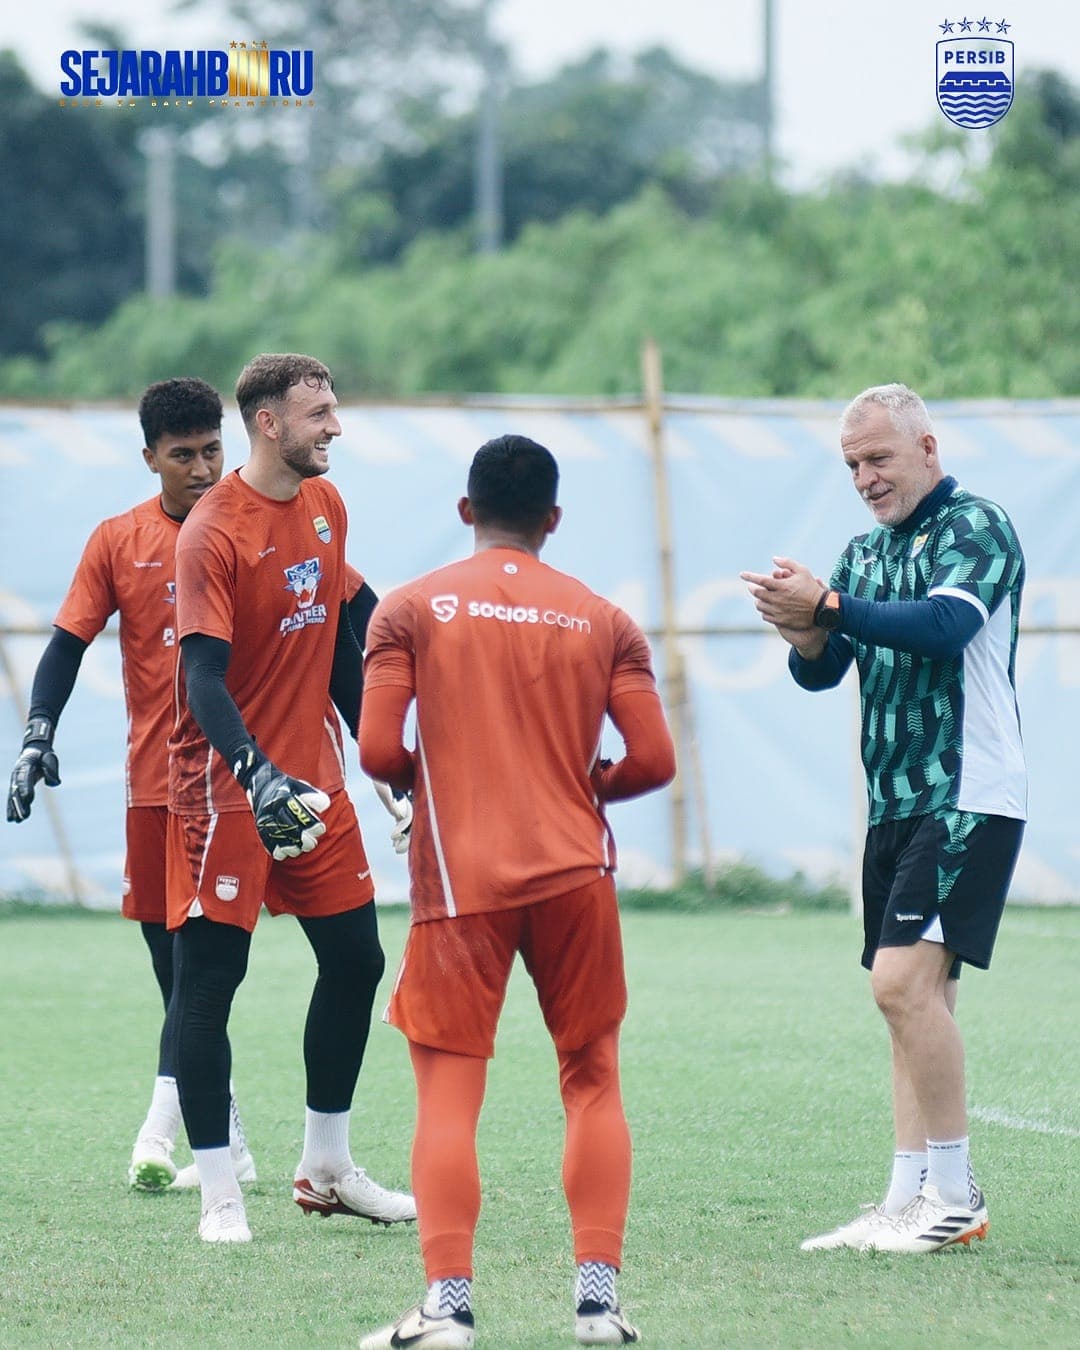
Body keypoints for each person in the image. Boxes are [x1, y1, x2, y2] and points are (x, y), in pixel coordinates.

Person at [357, 434, 676, 1348]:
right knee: (592, 1081)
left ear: (467, 511)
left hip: (464, 883)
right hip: (579, 872)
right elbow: (652, 760)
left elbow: (379, 752)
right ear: (553, 520)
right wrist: (586, 786)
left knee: (451, 1100)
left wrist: (434, 775)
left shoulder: (410, 609)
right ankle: (598, 1307)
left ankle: (448, 1311)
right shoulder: (603, 617)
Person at [741, 383, 1026, 1255]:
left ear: (928, 449)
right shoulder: (863, 554)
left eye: (880, 458)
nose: (865, 477)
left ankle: (955, 1195)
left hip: (966, 792)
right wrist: (806, 634)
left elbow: (944, 628)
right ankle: (907, 1198)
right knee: (915, 999)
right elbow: (827, 675)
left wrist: (828, 607)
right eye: (853, 464)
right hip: (894, 800)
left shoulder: (976, 526)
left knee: (899, 986)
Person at [166, 352, 415, 1243]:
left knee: (355, 963)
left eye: (335, 409)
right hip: (225, 790)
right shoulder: (212, 530)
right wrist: (255, 771)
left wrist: (386, 762)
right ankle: (219, 1195)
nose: (335, 426)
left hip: (315, 783)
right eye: (319, 414)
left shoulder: (327, 506)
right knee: (208, 986)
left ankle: (327, 1168)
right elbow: (201, 679)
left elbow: (343, 651)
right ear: (269, 423)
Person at [5, 377, 258, 1193]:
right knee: (172, 975)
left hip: (237, 786)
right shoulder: (118, 539)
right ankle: (235, 1140)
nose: (200, 468)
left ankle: (161, 1129)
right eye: (181, 455)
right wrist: (36, 732)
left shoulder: (263, 523)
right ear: (148, 457)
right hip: (153, 783)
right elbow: (67, 646)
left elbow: (337, 608)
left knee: (199, 972)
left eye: (212, 451)